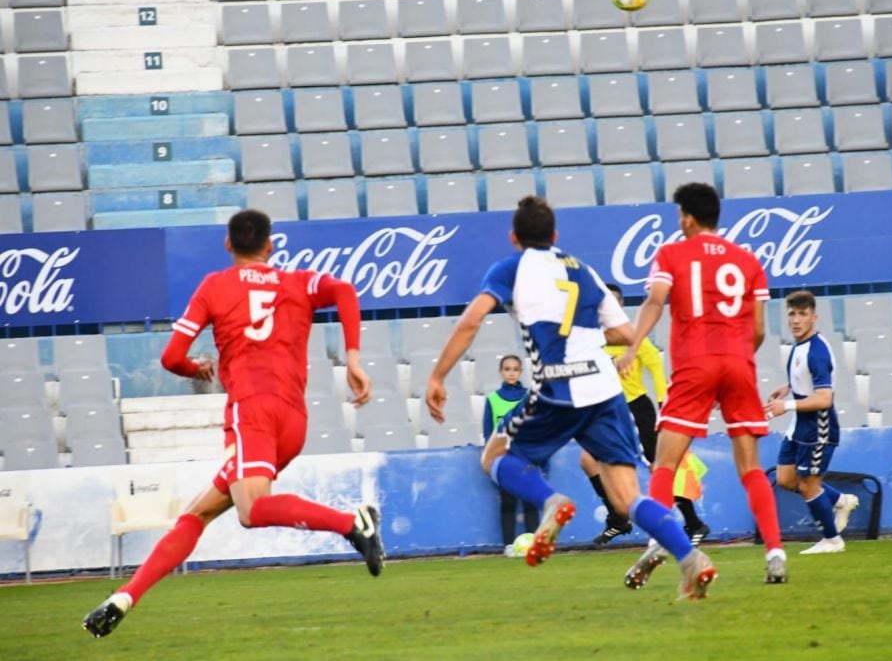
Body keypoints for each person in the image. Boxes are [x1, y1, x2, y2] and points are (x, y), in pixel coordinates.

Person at [83, 210, 385, 638]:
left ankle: (352, 524)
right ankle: (124, 596)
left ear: (228, 245)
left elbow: (170, 357)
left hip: (252, 413)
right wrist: (353, 358)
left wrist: (196, 368)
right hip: (293, 421)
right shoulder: (297, 282)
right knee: (198, 512)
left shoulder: (214, 286)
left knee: (252, 510)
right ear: (271, 246)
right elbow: (346, 290)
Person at [425, 196, 716, 600]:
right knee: (629, 496)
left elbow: (472, 319)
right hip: (605, 390)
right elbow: (627, 335)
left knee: (494, 456)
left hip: (558, 387)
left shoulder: (511, 268)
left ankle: (551, 501)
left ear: (514, 237)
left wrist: (438, 375)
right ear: (556, 236)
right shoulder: (584, 270)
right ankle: (690, 557)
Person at [618, 182, 788, 587]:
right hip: (738, 363)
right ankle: (776, 553)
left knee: (665, 464)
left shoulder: (672, 254)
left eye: (680, 215)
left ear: (688, 218)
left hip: (695, 363)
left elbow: (656, 301)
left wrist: (633, 347)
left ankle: (658, 541)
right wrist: (734, 366)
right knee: (749, 468)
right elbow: (760, 329)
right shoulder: (748, 261)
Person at [584, 283, 711, 547]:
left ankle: (694, 523)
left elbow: (655, 367)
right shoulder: (592, 339)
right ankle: (618, 519)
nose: (611, 306)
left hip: (635, 408)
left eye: (616, 301)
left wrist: (665, 402)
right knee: (588, 461)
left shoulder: (633, 337)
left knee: (658, 467)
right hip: (605, 410)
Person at [765, 290, 860, 555]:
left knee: (808, 484)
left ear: (814, 317)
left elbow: (824, 398)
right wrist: (788, 387)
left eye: (802, 314)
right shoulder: (799, 345)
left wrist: (787, 405)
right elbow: (805, 377)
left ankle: (832, 540)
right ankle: (840, 501)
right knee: (785, 479)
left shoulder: (817, 350)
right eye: (792, 314)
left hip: (817, 429)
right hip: (799, 427)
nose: (796, 320)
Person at [481, 354, 539, 555]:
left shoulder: (530, 397)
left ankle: (534, 544)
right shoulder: (493, 399)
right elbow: (488, 433)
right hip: (503, 458)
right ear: (501, 372)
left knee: (531, 500)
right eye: (507, 369)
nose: (511, 373)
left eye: (515, 369)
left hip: (526, 455)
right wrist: (490, 460)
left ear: (520, 372)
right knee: (508, 502)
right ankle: (508, 545)